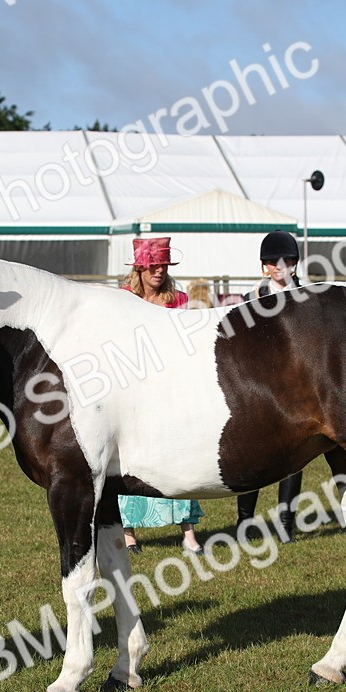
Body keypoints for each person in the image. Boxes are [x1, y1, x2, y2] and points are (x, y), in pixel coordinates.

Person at [119, 237, 205, 554]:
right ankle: (127, 533)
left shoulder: (180, 300)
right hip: (132, 393)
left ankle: (188, 531)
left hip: (173, 390)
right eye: (153, 264)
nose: (159, 269)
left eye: (164, 263)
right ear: (140, 267)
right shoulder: (123, 300)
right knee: (128, 461)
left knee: (181, 456)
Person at [237, 230, 303, 540]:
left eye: (287, 260)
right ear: (265, 266)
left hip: (296, 384)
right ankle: (244, 522)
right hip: (259, 384)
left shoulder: (307, 296)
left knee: (294, 456)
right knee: (252, 454)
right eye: (273, 261)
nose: (280, 266)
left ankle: (286, 524)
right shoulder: (251, 298)